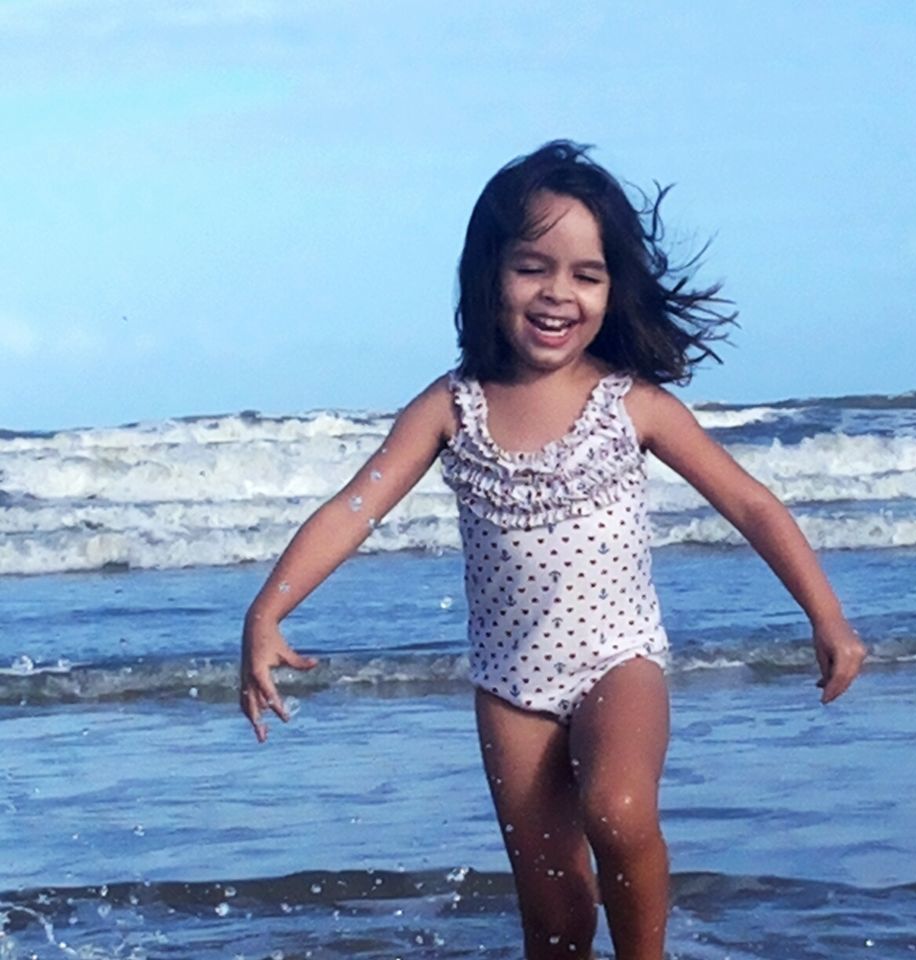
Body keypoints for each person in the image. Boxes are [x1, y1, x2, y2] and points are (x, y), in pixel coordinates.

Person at [240, 140, 866, 960]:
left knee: (618, 811)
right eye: (534, 267)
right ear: (488, 273)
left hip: (618, 660)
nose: (558, 294)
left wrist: (827, 618)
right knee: (556, 913)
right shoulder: (451, 407)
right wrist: (267, 610)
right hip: (509, 686)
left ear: (614, 289)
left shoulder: (630, 405)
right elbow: (352, 509)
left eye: (586, 274)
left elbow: (750, 502)